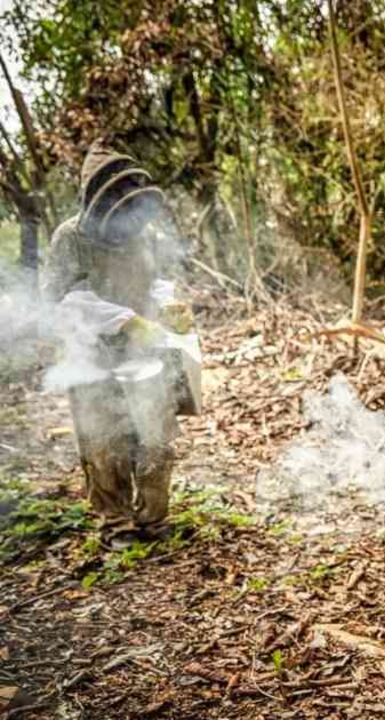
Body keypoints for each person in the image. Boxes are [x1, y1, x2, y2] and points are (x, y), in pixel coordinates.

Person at [43, 145, 199, 550]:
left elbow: (156, 281)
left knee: (154, 435)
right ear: (98, 195)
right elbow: (64, 299)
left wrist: (170, 306)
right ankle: (116, 523)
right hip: (90, 354)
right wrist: (126, 320)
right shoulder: (70, 237)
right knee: (104, 439)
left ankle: (153, 518)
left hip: (143, 353)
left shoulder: (142, 236)